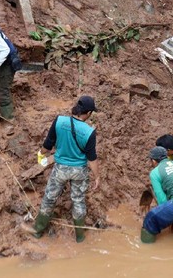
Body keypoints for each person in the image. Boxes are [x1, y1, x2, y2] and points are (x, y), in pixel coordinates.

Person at [22, 95, 101, 242]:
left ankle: (37, 230)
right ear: (89, 113)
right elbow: (92, 158)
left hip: (60, 170)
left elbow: (47, 145)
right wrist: (97, 177)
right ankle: (80, 237)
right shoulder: (90, 132)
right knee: (78, 200)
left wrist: (40, 154)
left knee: (50, 198)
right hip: (79, 171)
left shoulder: (59, 121)